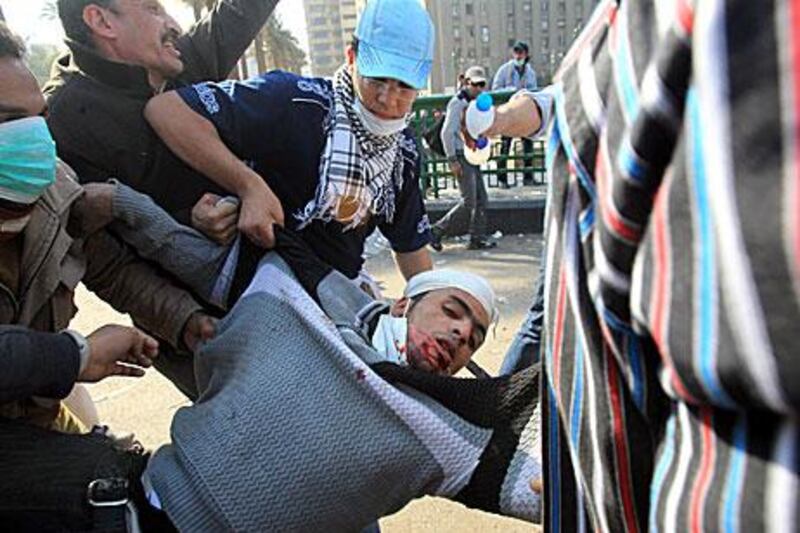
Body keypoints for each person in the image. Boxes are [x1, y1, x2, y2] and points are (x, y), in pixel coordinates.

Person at [479, 0, 800, 531]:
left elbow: (604, 443)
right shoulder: (620, 57)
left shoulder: (628, 48)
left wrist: (570, 487)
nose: (458, 338)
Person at [0, 22, 214, 432]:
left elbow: (112, 269)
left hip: (30, 417)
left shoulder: (55, 190)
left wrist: (187, 322)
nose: (32, 137)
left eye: (38, 118)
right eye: (9, 120)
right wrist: (77, 355)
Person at [144, 0, 436, 283]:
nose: (387, 99)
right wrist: (248, 185)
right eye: (376, 80)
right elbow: (167, 111)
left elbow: (410, 244)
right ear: (351, 58)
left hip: (335, 293)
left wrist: (431, 298)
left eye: (404, 87)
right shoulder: (293, 100)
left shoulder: (404, 153)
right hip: (257, 285)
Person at [43, 0, 278, 237]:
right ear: (103, 22)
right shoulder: (61, 121)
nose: (175, 26)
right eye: (153, 9)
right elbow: (93, 238)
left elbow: (243, 10)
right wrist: (188, 221)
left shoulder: (178, 59)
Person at [429, 65, 495, 251]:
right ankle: (436, 230)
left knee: (481, 199)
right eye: (476, 85)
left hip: (471, 152)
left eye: (482, 85)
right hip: (460, 154)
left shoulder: (475, 103)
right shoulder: (458, 103)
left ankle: (477, 237)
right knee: (469, 202)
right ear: (467, 83)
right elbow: (447, 133)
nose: (480, 89)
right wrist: (452, 160)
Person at [491, 41, 538, 188]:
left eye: (521, 52)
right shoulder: (504, 70)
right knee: (505, 146)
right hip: (508, 114)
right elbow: (495, 88)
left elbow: (534, 91)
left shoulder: (530, 72)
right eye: (516, 52)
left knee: (528, 145)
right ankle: (502, 179)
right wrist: (509, 91)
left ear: (526, 54)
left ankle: (528, 177)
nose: (518, 55)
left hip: (524, 113)